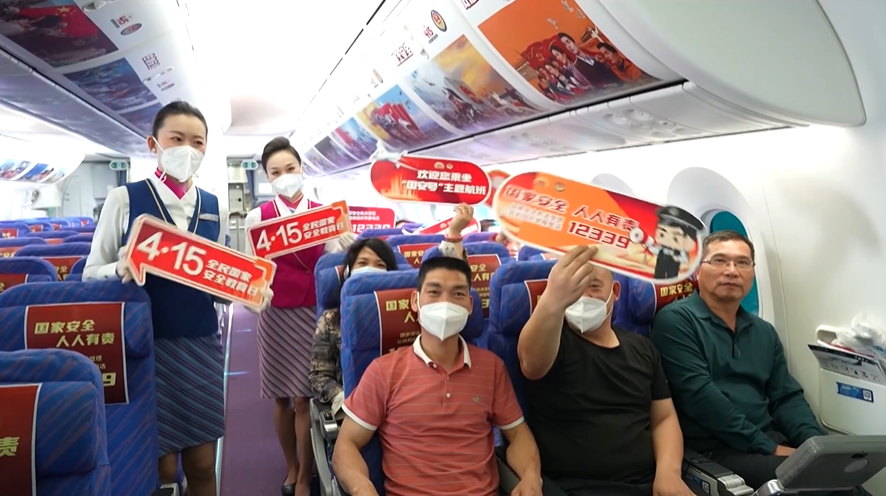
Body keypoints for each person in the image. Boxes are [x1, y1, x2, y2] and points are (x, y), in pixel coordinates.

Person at [650, 230, 872, 495]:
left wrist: (816, 445)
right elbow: (701, 398)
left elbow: (786, 397)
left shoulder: (763, 331)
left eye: (742, 262)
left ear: (752, 273)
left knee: (844, 477)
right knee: (829, 485)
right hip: (717, 449)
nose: (732, 271)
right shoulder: (676, 321)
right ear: (698, 271)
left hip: (765, 440)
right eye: (719, 260)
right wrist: (772, 448)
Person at [83, 101, 231, 496]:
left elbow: (218, 278)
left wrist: (242, 292)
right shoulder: (124, 198)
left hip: (200, 340)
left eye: (197, 142)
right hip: (144, 346)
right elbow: (90, 272)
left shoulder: (215, 206)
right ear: (154, 144)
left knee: (203, 463)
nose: (188, 149)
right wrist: (118, 268)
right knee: (160, 468)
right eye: (177, 139)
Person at [331, 255, 543, 496]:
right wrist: (362, 488)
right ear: (415, 301)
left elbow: (518, 435)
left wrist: (530, 476)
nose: (445, 303)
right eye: (434, 292)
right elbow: (346, 445)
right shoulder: (384, 371)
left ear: (470, 305)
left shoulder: (491, 368)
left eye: (458, 294)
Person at [517, 246, 693, 496]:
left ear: (615, 292)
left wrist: (669, 473)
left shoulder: (642, 348)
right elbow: (531, 364)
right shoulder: (552, 342)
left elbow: (663, 418)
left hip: (649, 483)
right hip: (577, 488)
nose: (583, 297)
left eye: (594, 287)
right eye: (575, 289)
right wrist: (554, 297)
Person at [243, 136, 356, 496]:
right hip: (275, 314)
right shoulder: (256, 218)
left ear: (301, 168)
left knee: (304, 397)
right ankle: (290, 465)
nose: (284, 176)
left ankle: (305, 475)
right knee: (281, 397)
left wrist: (349, 243)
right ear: (267, 177)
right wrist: (253, 297)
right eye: (275, 172)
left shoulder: (325, 214)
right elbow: (254, 271)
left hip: (312, 310)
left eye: (290, 168)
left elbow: (332, 263)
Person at [309, 204, 476, 418]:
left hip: (417, 397)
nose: (370, 269)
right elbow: (319, 374)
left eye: (380, 265)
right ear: (349, 271)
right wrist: (340, 396)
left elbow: (449, 286)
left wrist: (454, 235)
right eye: (362, 263)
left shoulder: (413, 308)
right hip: (357, 405)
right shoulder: (332, 318)